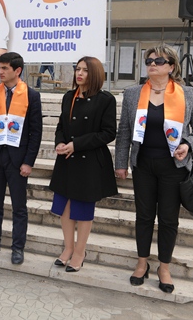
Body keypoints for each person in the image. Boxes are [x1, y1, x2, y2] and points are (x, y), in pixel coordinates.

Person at [115, 45, 193, 294]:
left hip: (174, 167)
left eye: (159, 61)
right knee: (144, 216)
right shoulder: (133, 93)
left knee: (168, 218)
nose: (152, 64)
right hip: (143, 165)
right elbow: (124, 131)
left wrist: (188, 144)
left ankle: (164, 267)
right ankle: (142, 262)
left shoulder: (186, 93)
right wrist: (120, 163)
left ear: (171, 66)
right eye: (149, 61)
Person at [49, 56, 117, 272]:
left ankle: (80, 251)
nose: (79, 73)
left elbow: (108, 133)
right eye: (78, 69)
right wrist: (60, 142)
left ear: (95, 74)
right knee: (64, 206)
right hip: (67, 160)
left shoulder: (105, 100)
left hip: (89, 162)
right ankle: (68, 248)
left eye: (85, 70)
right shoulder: (69, 96)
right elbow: (61, 125)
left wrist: (76, 145)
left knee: (83, 208)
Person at [0, 52, 42, 265]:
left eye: (5, 68)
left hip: (18, 159)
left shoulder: (31, 95)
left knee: (19, 207)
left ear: (17, 70)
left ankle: (18, 247)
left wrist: (29, 161)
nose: (0, 72)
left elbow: (36, 132)